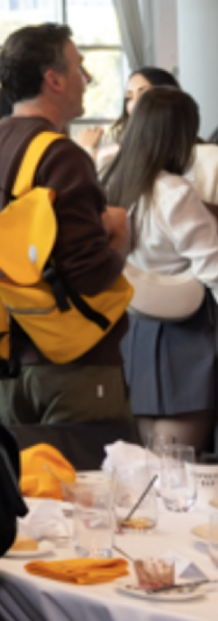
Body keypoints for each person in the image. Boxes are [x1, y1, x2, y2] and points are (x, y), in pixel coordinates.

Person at [0, 23, 133, 427]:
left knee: (25, 488)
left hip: (1, 363)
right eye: (80, 68)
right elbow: (87, 274)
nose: (88, 79)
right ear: (54, 79)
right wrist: (119, 236)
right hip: (74, 366)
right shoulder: (60, 155)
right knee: (89, 486)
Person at [99, 86, 218, 451]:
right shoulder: (173, 192)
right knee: (177, 472)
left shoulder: (109, 180)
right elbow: (214, 269)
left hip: (128, 330)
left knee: (143, 467)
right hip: (184, 336)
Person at [82, 66, 179, 165]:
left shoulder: (189, 152)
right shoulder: (117, 149)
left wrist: (87, 151)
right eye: (129, 97)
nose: (134, 104)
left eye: (143, 95)